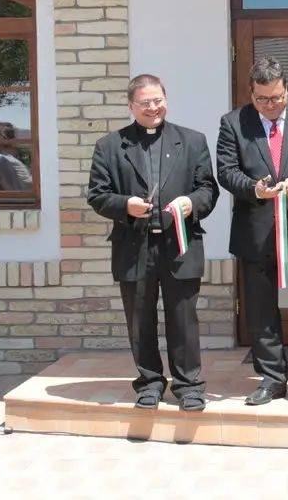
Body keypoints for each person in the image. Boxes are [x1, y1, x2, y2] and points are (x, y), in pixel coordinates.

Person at [87, 74, 219, 411]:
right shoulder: (110, 146)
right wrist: (125, 206)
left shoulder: (192, 141)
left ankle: (189, 386)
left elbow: (208, 189)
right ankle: (149, 383)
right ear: (131, 106)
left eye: (158, 100)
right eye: (145, 102)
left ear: (166, 100)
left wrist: (190, 203)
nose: (153, 107)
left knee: (183, 320)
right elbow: (97, 195)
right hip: (134, 246)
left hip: (180, 245)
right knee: (140, 320)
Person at [216, 57, 288, 405]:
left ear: (287, 89)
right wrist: (253, 188)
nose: (271, 105)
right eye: (262, 99)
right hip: (256, 232)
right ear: (251, 93)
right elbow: (226, 170)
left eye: (277, 97)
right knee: (260, 310)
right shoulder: (233, 123)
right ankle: (271, 379)